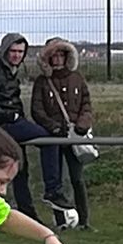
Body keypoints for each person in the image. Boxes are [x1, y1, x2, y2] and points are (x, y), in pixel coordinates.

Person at [0, 32, 71, 222]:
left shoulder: (9, 71)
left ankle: (28, 214)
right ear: (5, 51)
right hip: (3, 124)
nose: (17, 55)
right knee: (49, 140)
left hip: (11, 121)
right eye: (13, 51)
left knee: (20, 169)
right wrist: (11, 116)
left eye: (21, 52)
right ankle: (52, 190)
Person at [31, 36, 95, 231]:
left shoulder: (77, 78)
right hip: (53, 136)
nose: (58, 58)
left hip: (75, 135)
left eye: (61, 54)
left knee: (77, 178)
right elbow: (37, 110)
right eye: (54, 55)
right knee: (55, 180)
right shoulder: (42, 82)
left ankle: (84, 220)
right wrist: (52, 126)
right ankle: (61, 221)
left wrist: (83, 124)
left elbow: (86, 104)